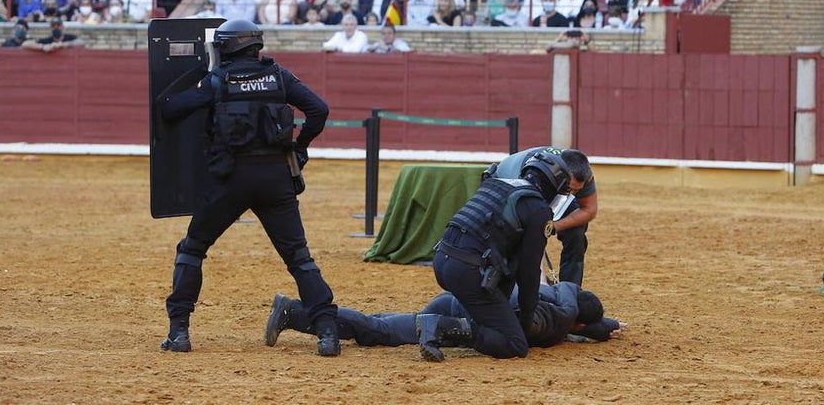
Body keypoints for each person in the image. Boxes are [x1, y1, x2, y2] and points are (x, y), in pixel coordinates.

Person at [158, 20, 340, 356]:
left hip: (230, 179)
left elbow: (171, 109)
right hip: (276, 179)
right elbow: (320, 109)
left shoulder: (218, 81)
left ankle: (179, 332)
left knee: (193, 248)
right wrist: (300, 146)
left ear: (226, 48)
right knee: (299, 257)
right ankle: (328, 333)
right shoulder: (278, 76)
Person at [422, 152, 572, 360]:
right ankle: (444, 326)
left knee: (489, 316)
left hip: (442, 260)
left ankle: (449, 325)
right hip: (467, 272)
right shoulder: (538, 209)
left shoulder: (495, 184)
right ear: (551, 186)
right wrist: (527, 320)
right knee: (515, 344)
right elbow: (528, 272)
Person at [264, 281, 623, 353]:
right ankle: (294, 311)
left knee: (381, 324)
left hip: (456, 299)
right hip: (457, 316)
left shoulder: (558, 295)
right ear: (579, 324)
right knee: (381, 331)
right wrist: (600, 329)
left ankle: (296, 313)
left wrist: (602, 327)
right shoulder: (558, 321)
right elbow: (578, 322)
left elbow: (572, 294)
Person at [489, 147, 596, 287]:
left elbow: (589, 209)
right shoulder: (534, 174)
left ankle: (569, 289)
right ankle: (526, 284)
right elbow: (530, 227)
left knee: (576, 233)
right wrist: (542, 284)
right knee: (525, 235)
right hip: (511, 187)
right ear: (560, 175)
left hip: (556, 188)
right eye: (570, 189)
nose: (574, 194)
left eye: (578, 190)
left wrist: (554, 226)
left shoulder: (583, 174)